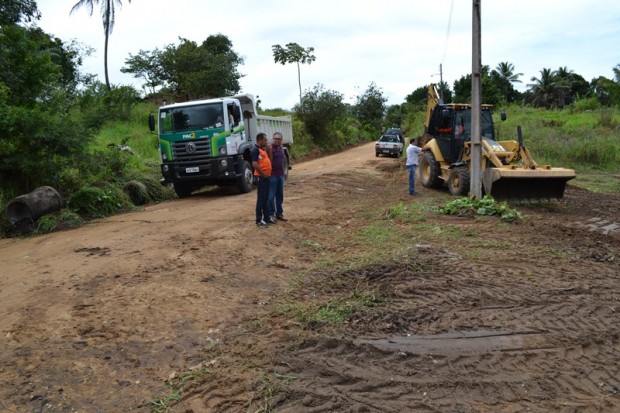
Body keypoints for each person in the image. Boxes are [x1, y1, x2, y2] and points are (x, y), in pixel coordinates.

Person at [251, 133, 276, 227]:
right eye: (265, 140)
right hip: (261, 177)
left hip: (266, 177)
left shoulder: (262, 149)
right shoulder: (255, 150)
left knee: (265, 198)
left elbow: (269, 160)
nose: (266, 142)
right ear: (260, 140)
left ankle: (267, 218)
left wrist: (269, 151)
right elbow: (254, 164)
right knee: (261, 199)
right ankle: (258, 220)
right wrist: (263, 173)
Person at [268, 132, 287, 221]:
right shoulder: (270, 149)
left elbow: (283, 161)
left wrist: (283, 173)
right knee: (271, 196)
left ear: (281, 140)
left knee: (280, 195)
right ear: (273, 139)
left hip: (280, 175)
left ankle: (279, 214)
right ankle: (271, 214)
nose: (277, 140)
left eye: (279, 139)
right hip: (272, 176)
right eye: (275, 139)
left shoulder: (282, 149)